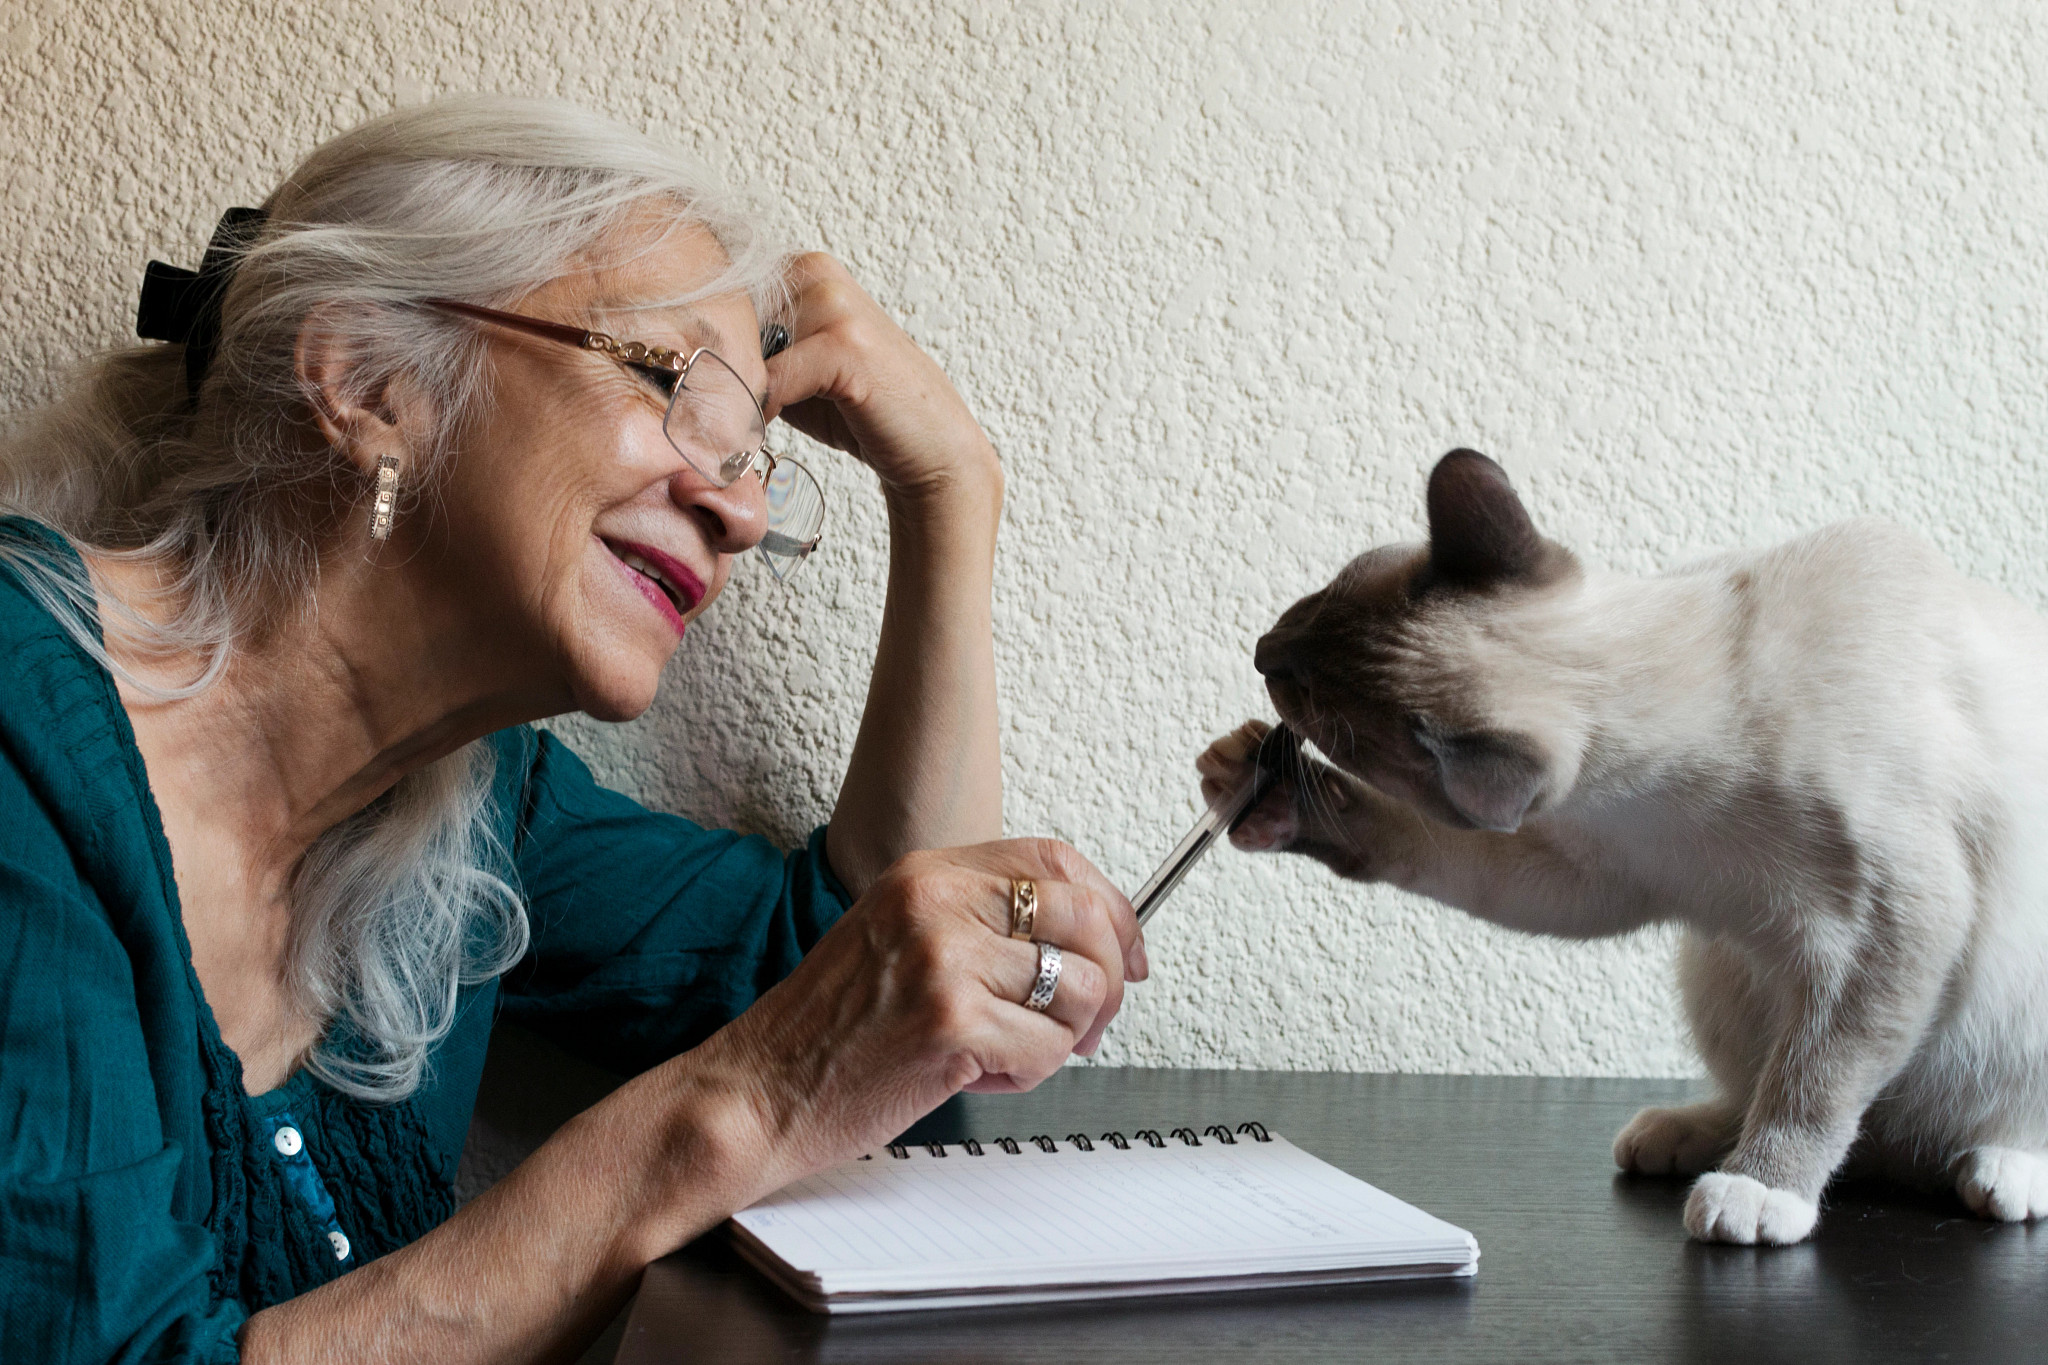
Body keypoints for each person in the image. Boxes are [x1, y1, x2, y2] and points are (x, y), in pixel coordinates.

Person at [0, 96, 1144, 1363]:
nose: (741, 514)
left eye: (751, 459)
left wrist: (947, 489)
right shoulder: (16, 733)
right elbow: (800, 1054)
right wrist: (734, 1108)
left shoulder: (471, 803)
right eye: (671, 385)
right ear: (368, 379)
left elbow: (857, 989)